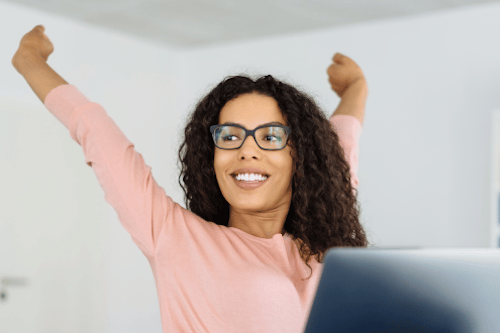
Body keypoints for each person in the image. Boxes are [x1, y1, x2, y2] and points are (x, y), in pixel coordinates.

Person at [12, 25, 369, 333]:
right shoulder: (176, 238)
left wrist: (356, 87)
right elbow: (99, 135)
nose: (247, 150)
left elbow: (341, 150)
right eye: (230, 136)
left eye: (271, 137)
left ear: (301, 158)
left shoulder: (325, 242)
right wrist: (30, 62)